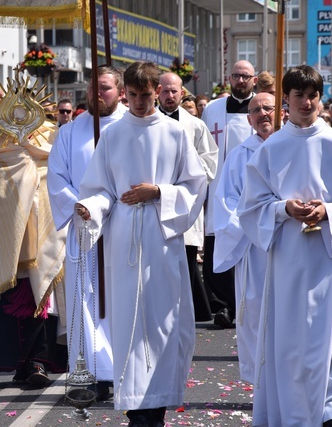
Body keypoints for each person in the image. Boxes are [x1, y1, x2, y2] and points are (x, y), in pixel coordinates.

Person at [75, 61, 207, 427]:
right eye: (131, 95)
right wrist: (90, 207)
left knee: (161, 320)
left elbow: (195, 188)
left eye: (146, 96)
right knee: (128, 321)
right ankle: (136, 407)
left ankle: (157, 404)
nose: (138, 103)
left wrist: (159, 192)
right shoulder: (113, 134)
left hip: (161, 237)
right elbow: (101, 188)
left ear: (157, 93)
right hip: (122, 237)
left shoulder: (175, 133)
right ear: (123, 92)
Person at [237, 65, 332, 427]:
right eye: (300, 96)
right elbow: (250, 208)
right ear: (286, 100)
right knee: (292, 346)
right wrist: (284, 208)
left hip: (329, 261)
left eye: (313, 95)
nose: (307, 102)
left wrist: (328, 210)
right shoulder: (271, 149)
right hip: (289, 264)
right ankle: (294, 415)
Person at [0, 76, 67, 389]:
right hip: (7, 235)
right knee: (10, 304)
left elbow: (57, 174)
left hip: (45, 235)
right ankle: (16, 361)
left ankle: (38, 361)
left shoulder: (52, 137)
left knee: (43, 299)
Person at [47, 65, 126, 400]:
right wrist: (78, 205)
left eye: (105, 88)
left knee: (118, 301)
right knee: (85, 300)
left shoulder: (131, 127)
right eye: (93, 88)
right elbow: (56, 176)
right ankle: (92, 372)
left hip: (121, 227)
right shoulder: (70, 131)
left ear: (121, 91)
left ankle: (121, 369)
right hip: (83, 228)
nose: (97, 94)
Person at [212, 92, 280, 383]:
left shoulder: (292, 147)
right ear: (249, 119)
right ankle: (260, 380)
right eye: (256, 110)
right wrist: (256, 225)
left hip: (291, 244)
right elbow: (226, 202)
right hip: (253, 248)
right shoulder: (240, 155)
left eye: (268, 108)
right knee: (254, 315)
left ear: (280, 112)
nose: (263, 114)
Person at [200, 60, 257, 329]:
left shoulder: (262, 109)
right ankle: (226, 304)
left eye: (246, 76)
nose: (241, 80)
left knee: (247, 248)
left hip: (250, 189)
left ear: (254, 80)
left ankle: (243, 306)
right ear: (229, 78)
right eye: (237, 75)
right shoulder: (212, 109)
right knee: (216, 248)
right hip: (216, 187)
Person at [157, 72, 217, 322]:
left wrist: (185, 178)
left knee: (185, 268)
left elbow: (210, 164)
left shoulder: (195, 125)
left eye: (174, 91)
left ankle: (183, 319)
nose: (170, 96)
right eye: (165, 91)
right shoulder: (144, 121)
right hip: (154, 206)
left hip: (184, 206)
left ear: (183, 93)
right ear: (157, 91)